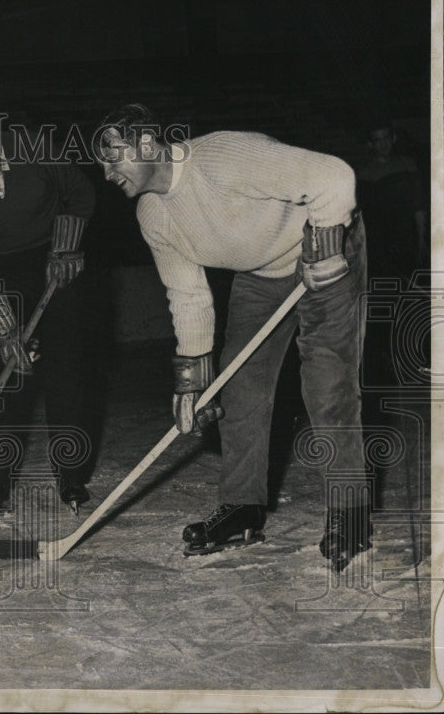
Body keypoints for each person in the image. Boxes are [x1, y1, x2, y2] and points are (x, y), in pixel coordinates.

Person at [98, 103, 369, 571]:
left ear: (146, 144)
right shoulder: (153, 214)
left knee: (327, 385)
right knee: (239, 387)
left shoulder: (222, 157)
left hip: (323, 251)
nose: (106, 173)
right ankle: (243, 508)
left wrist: (325, 244)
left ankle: (351, 514)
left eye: (113, 157)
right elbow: (187, 297)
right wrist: (193, 381)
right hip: (260, 275)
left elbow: (334, 176)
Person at [0, 95, 96, 513]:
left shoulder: (33, 145)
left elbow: (80, 194)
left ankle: (72, 477)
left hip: (53, 260)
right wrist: (7, 331)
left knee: (65, 371)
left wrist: (68, 247)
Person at [356, 122, 428, 279]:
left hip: (409, 240)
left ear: (394, 138)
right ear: (370, 144)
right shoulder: (365, 174)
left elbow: (418, 203)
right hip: (382, 247)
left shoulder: (408, 164)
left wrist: (422, 240)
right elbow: (365, 219)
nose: (383, 144)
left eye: (386, 138)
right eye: (377, 140)